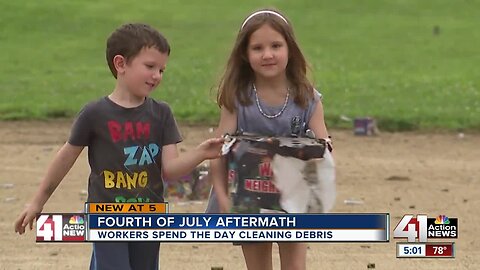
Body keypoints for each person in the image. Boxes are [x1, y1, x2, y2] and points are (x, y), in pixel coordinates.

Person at [14, 23, 224, 270]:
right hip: (105, 215)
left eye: (161, 69)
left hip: (149, 214)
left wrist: (202, 152)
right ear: (121, 64)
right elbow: (66, 157)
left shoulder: (162, 113)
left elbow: (171, 169)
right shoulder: (95, 114)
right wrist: (38, 200)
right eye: (150, 66)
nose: (157, 75)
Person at [206, 9, 332, 270]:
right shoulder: (237, 98)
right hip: (248, 195)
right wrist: (222, 197)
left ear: (290, 48)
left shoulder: (307, 98)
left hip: (292, 194)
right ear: (244, 54)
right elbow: (219, 151)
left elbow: (324, 148)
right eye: (257, 48)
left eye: (276, 45)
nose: (268, 54)